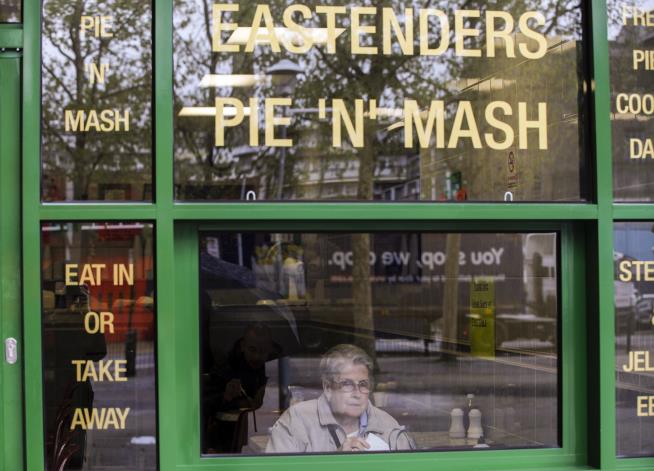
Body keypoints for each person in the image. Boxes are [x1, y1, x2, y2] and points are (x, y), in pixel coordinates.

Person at [266, 344, 414, 453]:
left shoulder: (387, 424)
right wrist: (336, 462)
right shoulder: (296, 421)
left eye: (363, 384)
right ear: (328, 387)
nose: (357, 393)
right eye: (347, 384)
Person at [203, 323, 278, 453]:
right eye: (252, 350)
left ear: (270, 348)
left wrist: (272, 394)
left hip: (272, 434)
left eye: (263, 351)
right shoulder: (226, 370)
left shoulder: (280, 367)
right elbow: (202, 406)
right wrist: (225, 397)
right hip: (230, 438)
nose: (257, 357)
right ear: (243, 346)